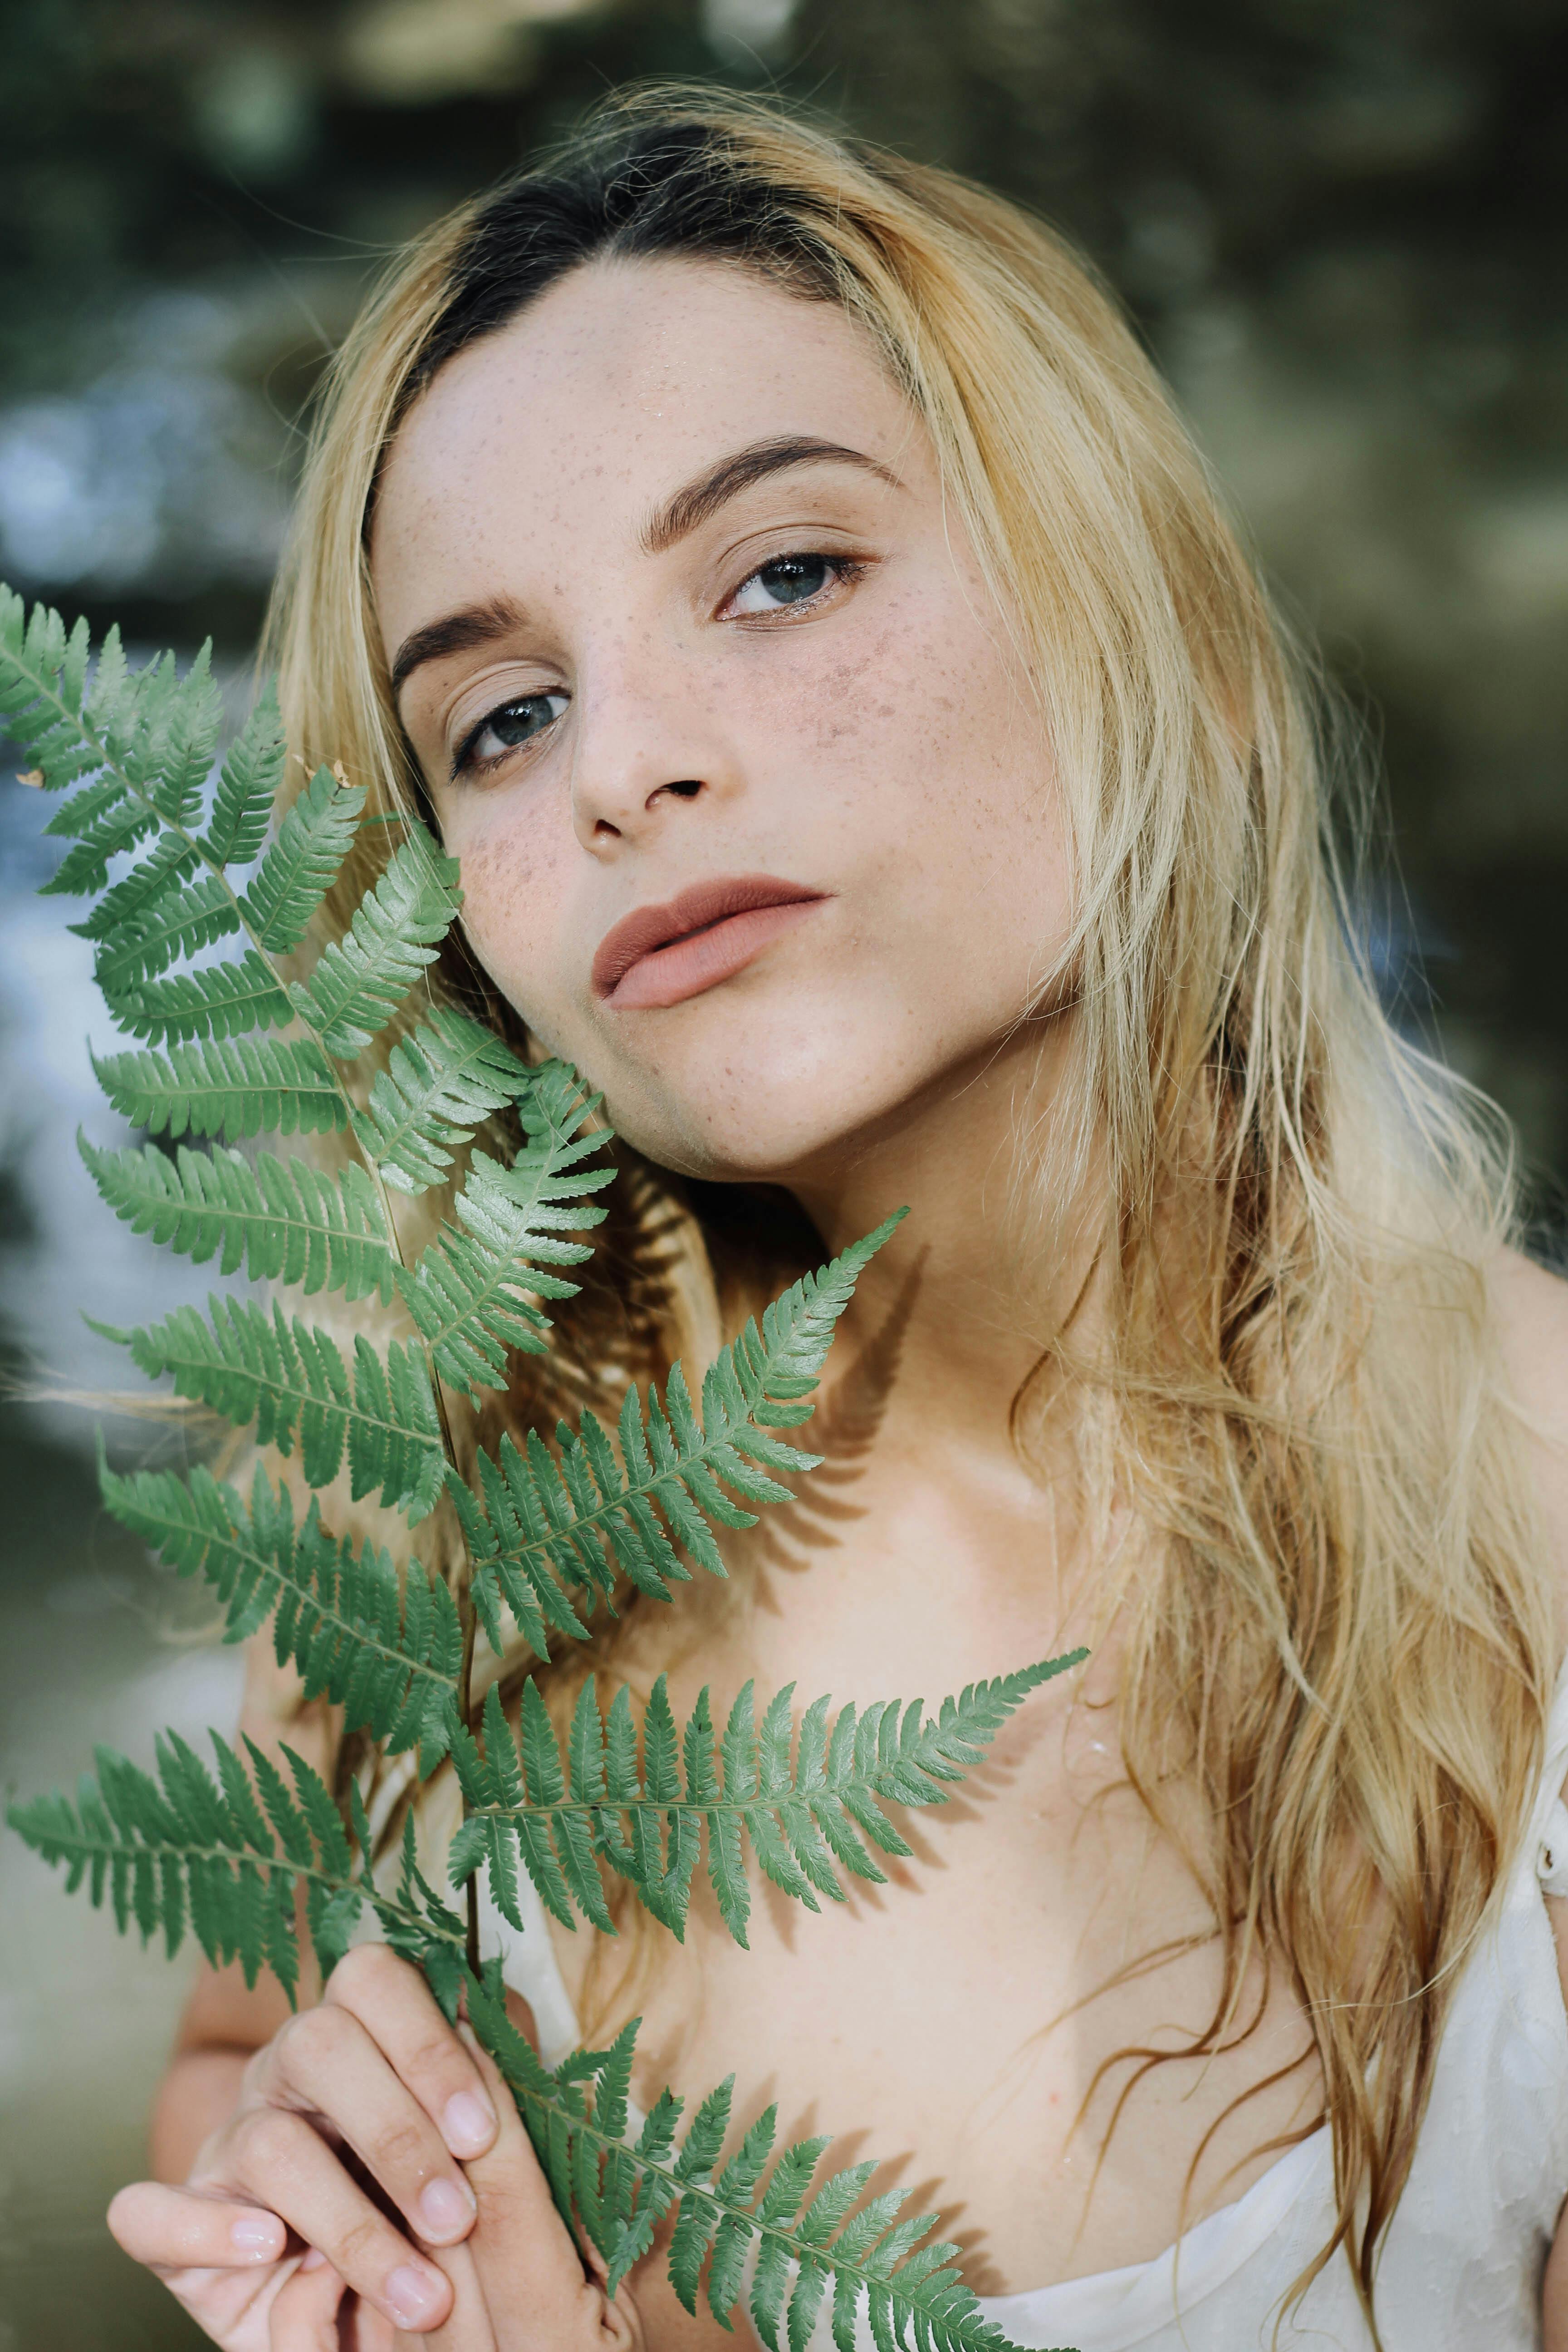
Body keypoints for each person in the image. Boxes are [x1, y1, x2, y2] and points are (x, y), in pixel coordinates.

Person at [100, 88, 1568, 2352]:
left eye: (783, 572)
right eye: (499, 718)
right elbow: (232, 2075)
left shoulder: (1548, 1558)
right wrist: (316, 2200)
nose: (621, 767)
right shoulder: (435, 1505)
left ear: (1140, 629)